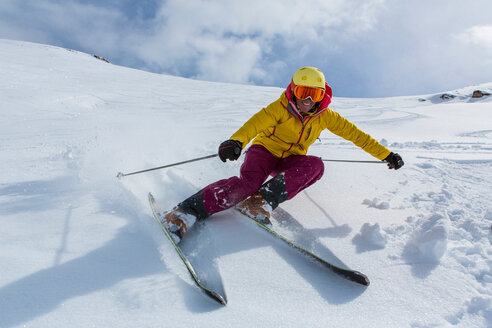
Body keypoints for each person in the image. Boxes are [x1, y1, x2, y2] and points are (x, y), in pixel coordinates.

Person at [163, 66, 404, 243]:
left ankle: (260, 202)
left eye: (315, 94)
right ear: (293, 90)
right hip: (264, 152)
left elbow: (357, 135)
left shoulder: (327, 117)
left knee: (316, 166)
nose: (307, 100)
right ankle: (185, 211)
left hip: (290, 159)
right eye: (302, 91)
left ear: (323, 96)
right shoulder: (279, 108)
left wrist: (385, 154)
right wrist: (236, 141)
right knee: (249, 183)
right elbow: (255, 124)